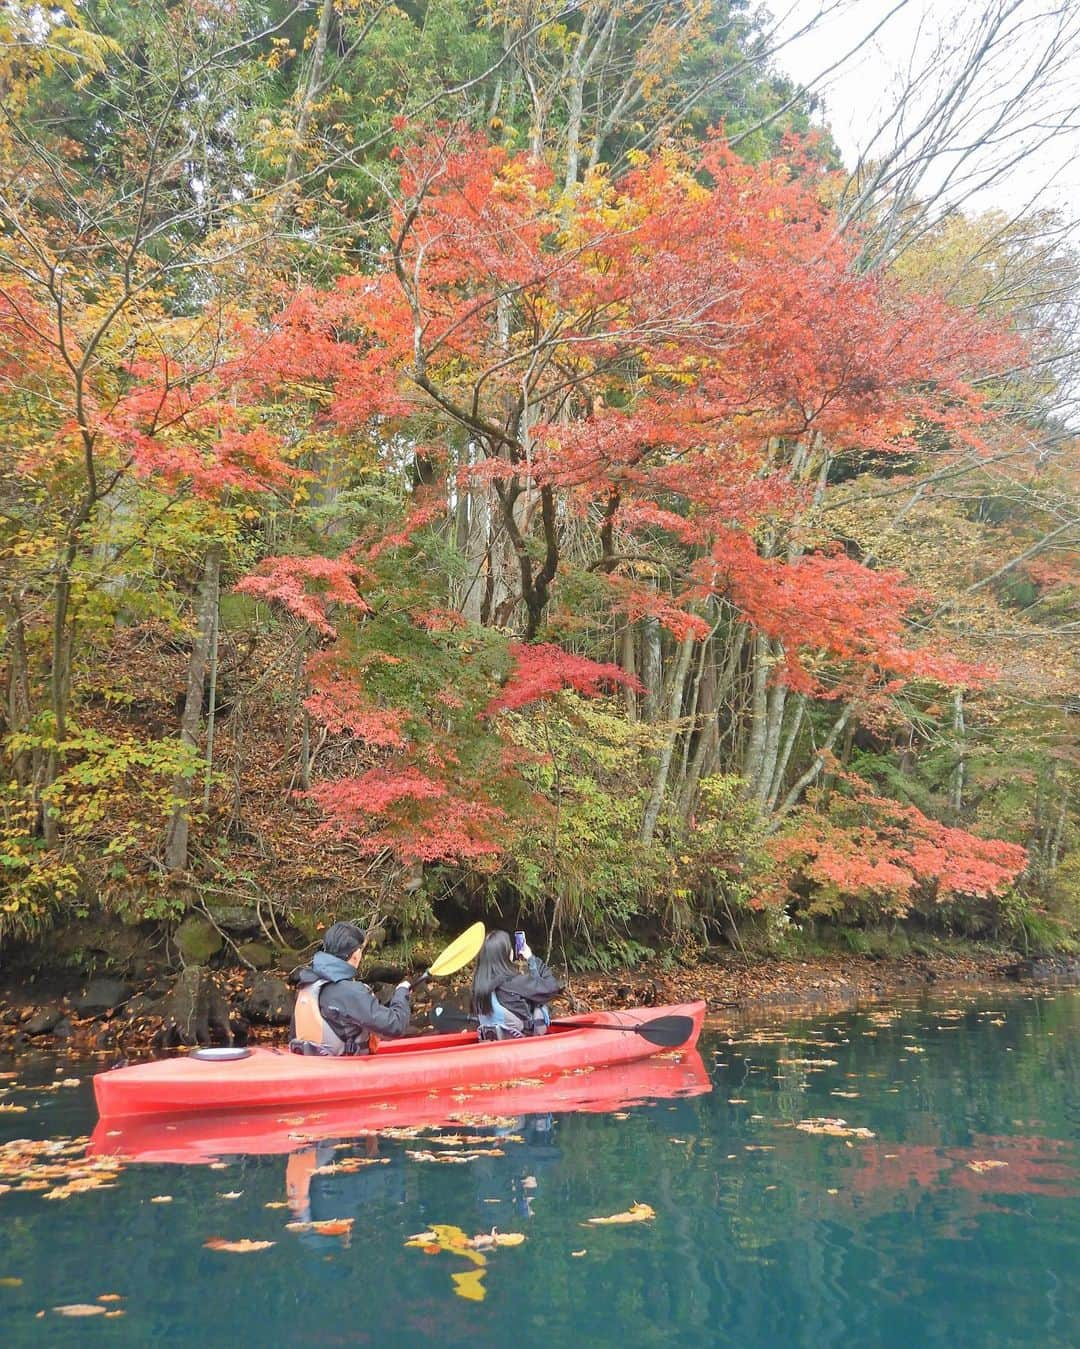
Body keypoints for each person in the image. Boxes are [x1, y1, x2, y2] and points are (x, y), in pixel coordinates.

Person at [290, 921, 412, 1056]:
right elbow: (395, 1026)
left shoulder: (308, 985)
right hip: (343, 1069)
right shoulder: (350, 992)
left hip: (310, 1065)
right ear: (356, 954)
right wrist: (402, 992)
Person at [471, 930, 561, 1040]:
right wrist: (531, 958)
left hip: (492, 1041)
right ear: (506, 954)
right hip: (523, 1043)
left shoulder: (478, 987)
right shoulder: (513, 982)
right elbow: (551, 987)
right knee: (540, 1009)